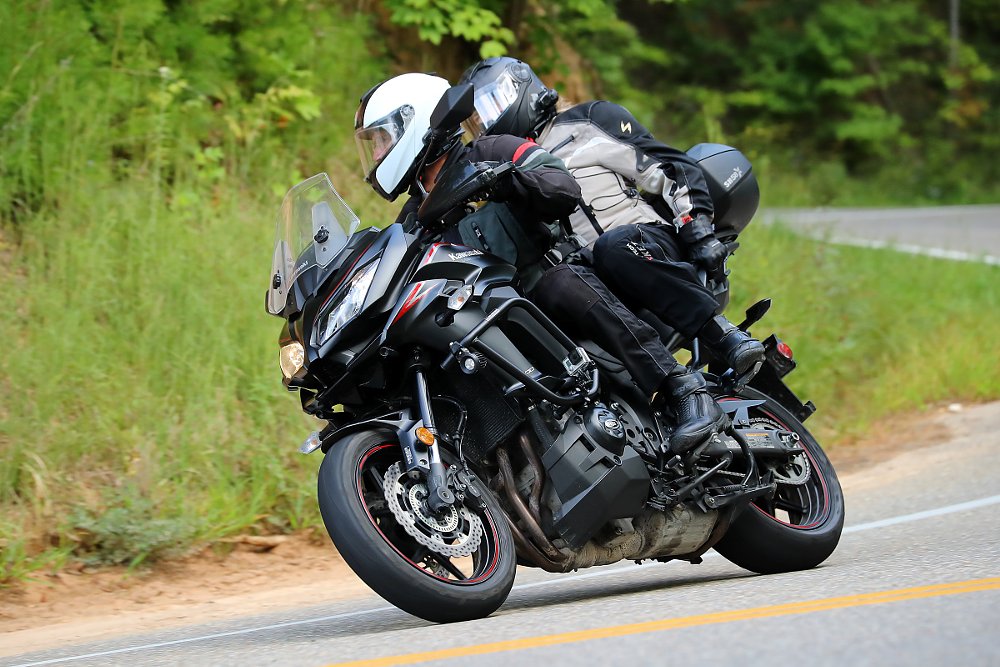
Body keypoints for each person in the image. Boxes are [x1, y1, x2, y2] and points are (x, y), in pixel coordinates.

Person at [355, 73, 727, 453]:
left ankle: (682, 388)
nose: (379, 154)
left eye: (383, 139)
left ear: (415, 124)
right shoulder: (414, 217)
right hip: (491, 319)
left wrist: (507, 182)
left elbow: (561, 186)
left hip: (557, 285)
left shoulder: (490, 149)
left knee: (559, 282)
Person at [458, 57, 766, 386]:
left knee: (613, 245)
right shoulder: (504, 175)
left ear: (522, 89)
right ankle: (672, 393)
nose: (487, 124)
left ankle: (725, 337)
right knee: (552, 286)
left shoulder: (588, 122)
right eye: (477, 122)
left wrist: (699, 230)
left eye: (491, 106)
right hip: (595, 282)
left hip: (646, 248)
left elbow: (671, 168)